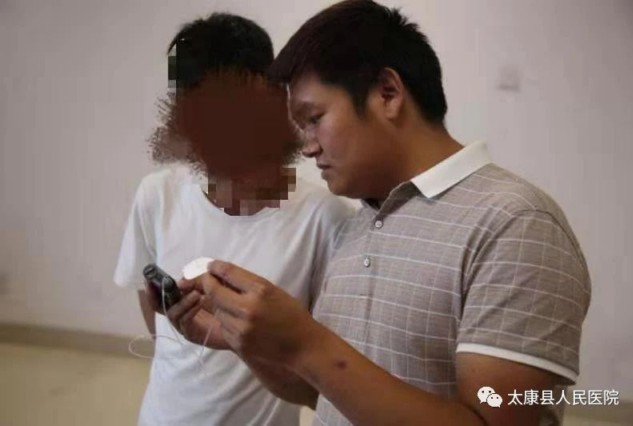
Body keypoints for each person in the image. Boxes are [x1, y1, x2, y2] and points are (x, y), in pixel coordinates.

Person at [168, 1, 591, 425]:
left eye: (313, 118)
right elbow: (327, 395)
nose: (307, 145)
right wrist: (245, 339)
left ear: (388, 93)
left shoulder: (516, 223)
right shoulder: (358, 225)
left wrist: (305, 342)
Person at [113, 12, 353, 426]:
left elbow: (326, 365)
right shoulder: (157, 195)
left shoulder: (324, 219)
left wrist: (237, 340)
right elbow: (152, 310)